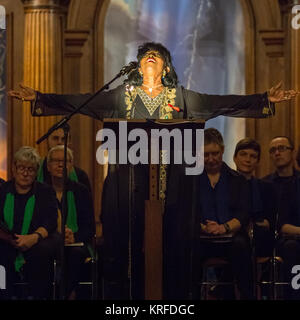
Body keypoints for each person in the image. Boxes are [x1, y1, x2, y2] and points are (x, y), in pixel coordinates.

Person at [8, 42, 299, 299]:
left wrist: (262, 100)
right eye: (145, 54)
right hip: (130, 184)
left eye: (156, 54)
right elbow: (78, 101)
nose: (150, 56)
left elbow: (222, 103)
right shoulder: (121, 96)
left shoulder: (183, 98)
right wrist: (40, 98)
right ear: (137, 65)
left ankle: (173, 301)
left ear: (166, 66)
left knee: (171, 248)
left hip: (173, 185)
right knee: (129, 248)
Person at [190, 128, 253, 300]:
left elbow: (244, 213)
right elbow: (189, 212)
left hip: (230, 238)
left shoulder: (237, 179)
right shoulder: (192, 181)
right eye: (206, 154)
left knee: (242, 245)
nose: (211, 159)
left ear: (223, 150)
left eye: (215, 153)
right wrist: (203, 227)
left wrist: (223, 227)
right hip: (202, 237)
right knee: (187, 247)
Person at [0, 146, 59, 300]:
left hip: (37, 242)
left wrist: (33, 237)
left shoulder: (45, 191)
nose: (25, 173)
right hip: (7, 242)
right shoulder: (3, 190)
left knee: (42, 252)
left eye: (30, 169)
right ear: (13, 168)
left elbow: (51, 221)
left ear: (37, 171)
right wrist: (10, 239)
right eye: (21, 168)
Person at [46, 145, 95, 300]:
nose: (61, 165)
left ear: (71, 166)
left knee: (74, 254)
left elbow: (90, 227)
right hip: (50, 242)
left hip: (77, 244)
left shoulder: (81, 191)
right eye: (56, 161)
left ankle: (66, 295)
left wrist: (74, 237)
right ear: (48, 166)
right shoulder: (41, 191)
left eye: (65, 161)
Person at [233, 138, 275, 257]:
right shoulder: (225, 185)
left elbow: (269, 221)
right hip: (233, 235)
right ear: (235, 158)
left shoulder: (267, 187)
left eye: (253, 156)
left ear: (257, 162)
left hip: (260, 237)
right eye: (243, 154)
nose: (248, 160)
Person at [37, 124, 92, 194]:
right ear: (47, 141)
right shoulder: (36, 171)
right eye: (55, 138)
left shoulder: (80, 176)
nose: (59, 142)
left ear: (69, 143)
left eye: (64, 139)